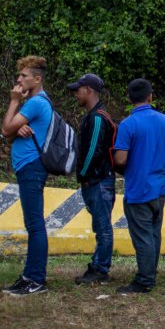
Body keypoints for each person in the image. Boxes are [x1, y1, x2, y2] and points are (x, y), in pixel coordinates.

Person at [113, 78, 165, 294]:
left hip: (138, 188)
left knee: (142, 236)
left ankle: (145, 279)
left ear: (129, 99)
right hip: (159, 187)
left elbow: (120, 159)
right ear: (150, 97)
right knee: (154, 232)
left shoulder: (128, 125)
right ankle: (151, 271)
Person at [1, 56, 53, 296]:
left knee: (35, 224)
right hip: (28, 167)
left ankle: (36, 278)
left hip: (32, 167)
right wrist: (15, 129)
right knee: (32, 224)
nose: (19, 79)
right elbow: (9, 135)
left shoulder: (34, 103)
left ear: (37, 78)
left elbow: (4, 129)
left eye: (23, 76)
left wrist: (13, 102)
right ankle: (28, 275)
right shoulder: (33, 103)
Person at [69, 73, 117, 286]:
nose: (76, 94)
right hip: (96, 180)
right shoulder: (93, 116)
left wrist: (84, 175)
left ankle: (100, 269)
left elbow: (94, 150)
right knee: (101, 226)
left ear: (88, 90)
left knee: (103, 227)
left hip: (98, 180)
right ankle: (99, 265)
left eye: (78, 90)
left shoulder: (98, 117)